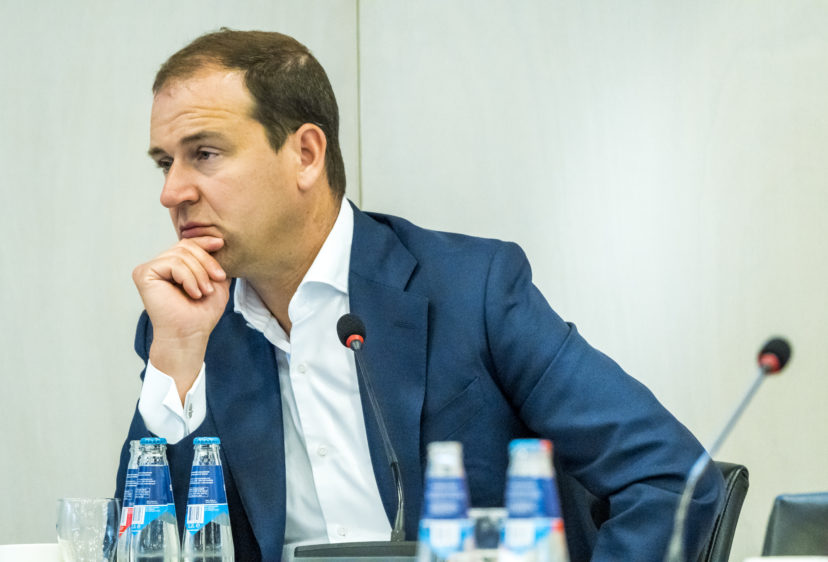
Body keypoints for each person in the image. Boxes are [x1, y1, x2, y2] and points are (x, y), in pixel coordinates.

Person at [116, 29, 723, 562]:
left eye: (205, 154)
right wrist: (177, 356)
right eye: (165, 164)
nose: (172, 192)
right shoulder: (188, 329)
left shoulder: (471, 290)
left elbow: (670, 478)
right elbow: (149, 543)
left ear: (305, 154)